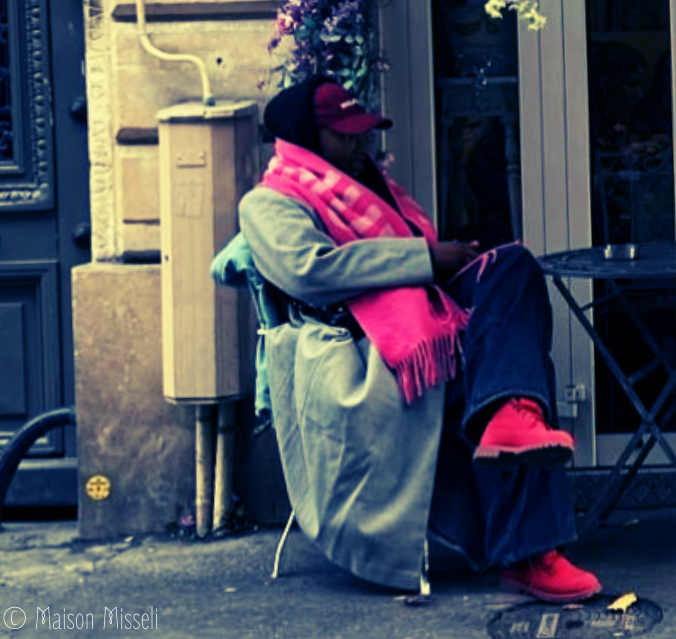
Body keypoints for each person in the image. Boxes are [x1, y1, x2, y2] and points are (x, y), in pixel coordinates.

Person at [239, 75, 603, 602]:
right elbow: (308, 271)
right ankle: (533, 552)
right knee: (524, 372)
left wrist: (449, 257)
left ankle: (512, 419)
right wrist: (428, 258)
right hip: (367, 348)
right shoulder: (269, 202)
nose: (359, 146)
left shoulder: (360, 185)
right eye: (345, 136)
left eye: (362, 134)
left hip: (426, 325)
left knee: (515, 266)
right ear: (306, 137)